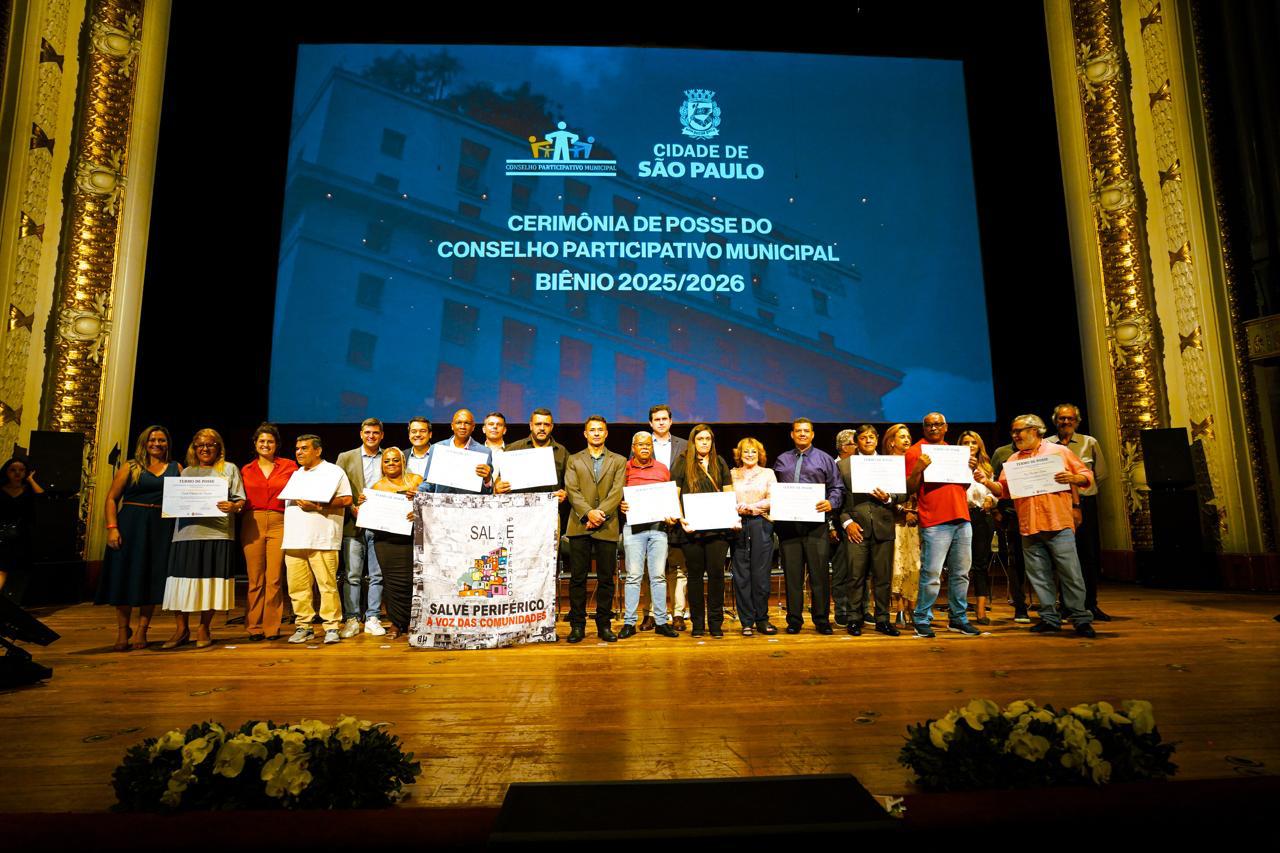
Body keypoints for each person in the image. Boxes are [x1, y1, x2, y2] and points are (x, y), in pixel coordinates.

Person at [975, 414, 1096, 637]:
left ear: (1035, 431)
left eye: (1018, 430)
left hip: (1057, 522)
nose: (1015, 435)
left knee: (1071, 574)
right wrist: (986, 482)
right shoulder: (1013, 460)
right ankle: (1049, 618)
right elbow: (1004, 491)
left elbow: (1086, 475)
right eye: (1013, 431)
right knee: (1039, 575)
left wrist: (1072, 478)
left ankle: (1080, 618)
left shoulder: (1058, 452)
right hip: (1028, 525)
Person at [161, 429, 246, 649]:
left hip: (217, 534)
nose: (205, 449)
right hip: (185, 535)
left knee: (211, 583)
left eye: (210, 445)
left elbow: (240, 502)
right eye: (200, 445)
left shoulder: (229, 469)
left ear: (219, 448)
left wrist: (233, 506)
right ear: (194, 448)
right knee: (181, 582)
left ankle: (204, 627)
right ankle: (181, 629)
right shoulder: (186, 472)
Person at [97, 425, 180, 650]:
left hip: (160, 526)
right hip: (131, 524)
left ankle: (142, 630)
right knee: (124, 575)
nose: (157, 444)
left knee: (151, 577)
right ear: (144, 442)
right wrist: (112, 527)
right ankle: (123, 630)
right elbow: (111, 498)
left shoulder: (176, 468)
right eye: (152, 440)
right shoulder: (131, 466)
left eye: (162, 440)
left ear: (167, 444)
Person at [906, 412, 980, 638]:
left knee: (961, 573)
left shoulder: (955, 452)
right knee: (932, 573)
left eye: (938, 424)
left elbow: (962, 487)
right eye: (929, 425)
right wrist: (919, 467)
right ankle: (922, 618)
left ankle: (958, 619)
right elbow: (908, 488)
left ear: (946, 427)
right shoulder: (915, 452)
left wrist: (970, 468)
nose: (933, 428)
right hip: (934, 520)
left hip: (961, 518)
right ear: (923, 428)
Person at [773, 418, 843, 634]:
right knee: (793, 576)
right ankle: (794, 620)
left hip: (815, 526)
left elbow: (837, 488)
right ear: (792, 434)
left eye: (806, 431)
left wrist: (831, 502)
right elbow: (773, 489)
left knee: (819, 575)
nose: (802, 434)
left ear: (812, 434)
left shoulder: (825, 459)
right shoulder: (781, 460)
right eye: (798, 431)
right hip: (788, 527)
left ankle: (821, 620)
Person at [282, 434, 353, 645]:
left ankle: (331, 626)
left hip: (322, 539)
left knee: (327, 585)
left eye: (304, 448)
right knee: (297, 587)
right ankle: (304, 625)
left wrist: (319, 506)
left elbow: (347, 499)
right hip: (294, 539)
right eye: (297, 448)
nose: (299, 452)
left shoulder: (333, 471)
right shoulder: (296, 474)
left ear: (318, 450)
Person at [836, 425, 903, 637]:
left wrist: (889, 498)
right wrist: (847, 523)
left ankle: (883, 619)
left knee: (883, 578)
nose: (867, 441)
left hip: (883, 527)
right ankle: (854, 618)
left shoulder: (889, 464)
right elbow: (838, 500)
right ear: (857, 442)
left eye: (871, 437)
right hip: (856, 528)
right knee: (855, 577)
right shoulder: (844, 466)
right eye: (863, 438)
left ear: (877, 440)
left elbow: (901, 494)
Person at [564, 415, 625, 643]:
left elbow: (617, 491)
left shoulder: (618, 460)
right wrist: (588, 513)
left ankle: (604, 625)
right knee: (578, 578)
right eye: (593, 430)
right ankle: (577, 626)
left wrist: (600, 515)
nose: (597, 433)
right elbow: (572, 490)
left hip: (607, 526)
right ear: (585, 434)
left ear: (606, 433)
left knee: (606, 579)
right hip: (580, 524)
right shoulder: (573, 459)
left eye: (601, 430)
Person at [1047, 403, 1111, 621]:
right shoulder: (1046, 445)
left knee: (1088, 555)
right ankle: (1065, 604)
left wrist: (1080, 485)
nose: (1066, 422)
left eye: (1070, 418)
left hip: (1085, 504)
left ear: (1077, 421)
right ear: (1055, 421)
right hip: (1057, 505)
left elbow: (1100, 474)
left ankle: (1090, 604)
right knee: (1061, 556)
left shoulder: (1089, 443)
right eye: (1062, 419)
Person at [671, 424, 734, 638]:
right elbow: (675, 494)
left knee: (716, 576)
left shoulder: (720, 462)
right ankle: (698, 624)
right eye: (700, 439)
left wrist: (732, 518)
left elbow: (728, 493)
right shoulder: (682, 462)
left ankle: (715, 623)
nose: (704, 442)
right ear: (693, 441)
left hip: (718, 530)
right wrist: (682, 519)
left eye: (708, 439)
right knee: (695, 577)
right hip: (692, 530)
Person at [240, 423, 298, 641]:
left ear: (276, 445)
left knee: (274, 577)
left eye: (270, 441)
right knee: (255, 578)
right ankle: (253, 626)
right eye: (262, 441)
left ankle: (271, 627)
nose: (266, 445)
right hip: (252, 521)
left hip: (280, 521)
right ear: (255, 444)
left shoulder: (289, 467)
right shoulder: (245, 469)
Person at [617, 431, 678, 639]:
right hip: (634, 530)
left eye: (648, 444)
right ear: (633, 447)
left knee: (658, 577)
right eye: (640, 444)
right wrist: (620, 504)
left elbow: (669, 498)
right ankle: (629, 622)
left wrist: (672, 514)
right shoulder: (624, 468)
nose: (644, 447)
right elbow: (617, 495)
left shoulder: (662, 469)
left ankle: (661, 622)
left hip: (658, 529)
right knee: (634, 577)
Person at [363, 447, 423, 639]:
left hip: (409, 538)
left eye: (395, 460)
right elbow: (368, 515)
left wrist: (418, 506)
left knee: (411, 582)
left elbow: (429, 504)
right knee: (390, 583)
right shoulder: (376, 488)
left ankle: (413, 622)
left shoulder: (416, 481)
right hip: (385, 541)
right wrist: (363, 504)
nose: (391, 464)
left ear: (402, 462)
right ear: (382, 464)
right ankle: (396, 624)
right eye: (387, 461)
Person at [335, 417, 385, 639]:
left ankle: (373, 616)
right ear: (361, 434)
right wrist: (352, 507)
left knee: (377, 574)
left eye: (375, 433)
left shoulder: (389, 457)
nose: (371, 436)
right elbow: (336, 488)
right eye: (367, 432)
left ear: (381, 435)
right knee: (352, 574)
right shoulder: (346, 457)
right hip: (352, 523)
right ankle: (352, 618)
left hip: (381, 524)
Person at [730, 437, 777, 636]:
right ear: (739, 454)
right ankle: (746, 621)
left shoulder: (768, 473)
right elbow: (725, 496)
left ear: (760, 455)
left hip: (761, 524)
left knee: (761, 575)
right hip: (738, 525)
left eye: (753, 452)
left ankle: (762, 619)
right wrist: (737, 508)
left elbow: (773, 497)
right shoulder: (732, 474)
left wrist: (753, 507)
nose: (749, 455)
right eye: (746, 451)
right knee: (741, 575)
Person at [647, 404, 688, 630]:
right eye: (657, 419)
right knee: (652, 568)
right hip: (650, 513)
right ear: (651, 423)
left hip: (677, 513)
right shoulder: (642, 444)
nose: (661, 422)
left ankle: (678, 612)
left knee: (678, 566)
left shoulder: (685, 445)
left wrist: (678, 511)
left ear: (671, 421)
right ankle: (652, 613)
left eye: (665, 419)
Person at [882, 424, 920, 627]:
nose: (906, 440)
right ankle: (899, 610)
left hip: (916, 521)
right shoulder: (885, 464)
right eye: (902, 437)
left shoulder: (917, 463)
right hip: (894, 520)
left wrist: (915, 512)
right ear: (891, 441)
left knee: (915, 565)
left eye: (908, 437)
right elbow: (884, 494)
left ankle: (913, 607)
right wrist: (903, 511)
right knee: (897, 566)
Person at [958, 430, 997, 626]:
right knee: (961, 565)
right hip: (962, 516)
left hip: (982, 517)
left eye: (973, 442)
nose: (970, 446)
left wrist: (991, 498)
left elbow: (994, 491)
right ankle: (959, 608)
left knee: (981, 564)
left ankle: (981, 610)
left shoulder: (987, 467)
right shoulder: (955, 467)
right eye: (965, 442)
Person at [991, 441, 1030, 621]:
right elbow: (996, 485)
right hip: (1013, 514)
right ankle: (1020, 607)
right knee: (1015, 562)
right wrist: (996, 511)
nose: (1017, 434)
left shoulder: (1051, 450)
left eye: (1022, 430)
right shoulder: (1004, 453)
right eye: (1014, 430)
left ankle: (1055, 608)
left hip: (1042, 513)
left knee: (1048, 564)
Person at [417, 408, 495, 495]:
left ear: (473, 427)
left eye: (467, 423)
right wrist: (417, 492)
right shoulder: (437, 448)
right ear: (452, 426)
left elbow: (487, 492)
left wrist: (488, 479)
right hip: (441, 506)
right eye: (458, 423)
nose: (462, 426)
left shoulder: (484, 452)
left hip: (470, 506)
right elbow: (428, 483)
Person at [0, 456, 44, 603]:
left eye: (21, 470)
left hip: (22, 535)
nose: (17, 473)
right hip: (2, 535)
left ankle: (12, 605)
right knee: (2, 568)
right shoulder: (1, 490)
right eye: (13, 470)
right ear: (6, 472)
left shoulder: (27, 491)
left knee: (20, 571)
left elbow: (41, 496)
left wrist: (31, 480)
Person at [504, 408, 568, 502]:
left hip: (550, 511)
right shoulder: (513, 449)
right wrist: (499, 486)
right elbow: (501, 480)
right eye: (538, 424)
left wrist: (565, 493)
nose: (542, 428)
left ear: (552, 427)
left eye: (546, 424)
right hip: (518, 511)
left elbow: (570, 484)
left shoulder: (562, 452)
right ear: (531, 426)